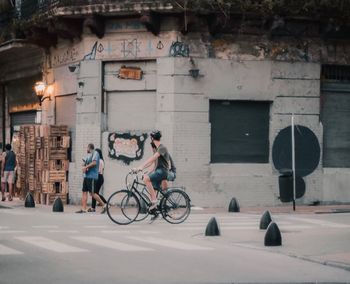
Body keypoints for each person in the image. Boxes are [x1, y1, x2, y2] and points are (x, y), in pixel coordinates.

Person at [136, 130, 170, 211]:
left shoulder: (162, 148)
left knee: (146, 179)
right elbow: (153, 163)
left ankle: (155, 201)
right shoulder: (155, 147)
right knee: (152, 191)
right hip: (158, 170)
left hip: (163, 171)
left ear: (152, 138)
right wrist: (142, 169)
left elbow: (153, 158)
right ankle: (156, 210)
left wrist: (141, 166)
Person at [76, 143, 107, 214]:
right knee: (84, 192)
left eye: (87, 148)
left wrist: (86, 167)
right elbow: (84, 162)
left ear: (89, 148)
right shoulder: (88, 155)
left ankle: (104, 205)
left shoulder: (95, 153)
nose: (86, 149)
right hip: (86, 176)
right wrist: (84, 166)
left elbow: (94, 163)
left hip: (92, 176)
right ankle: (83, 209)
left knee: (92, 193)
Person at [88, 148, 107, 212]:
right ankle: (93, 208)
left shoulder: (99, 161)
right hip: (100, 177)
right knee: (95, 193)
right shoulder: (102, 160)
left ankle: (105, 203)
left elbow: (95, 170)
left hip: (98, 177)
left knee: (94, 193)